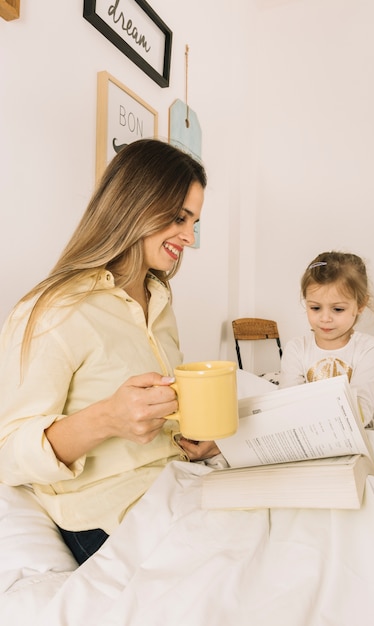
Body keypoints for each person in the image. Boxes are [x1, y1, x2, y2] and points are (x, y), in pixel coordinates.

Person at [0, 138, 220, 564]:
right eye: (179, 218)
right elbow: (8, 453)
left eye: (194, 222)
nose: (189, 238)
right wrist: (106, 419)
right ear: (136, 205)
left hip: (178, 486)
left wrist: (197, 437)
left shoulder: (158, 299)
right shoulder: (53, 310)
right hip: (109, 519)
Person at [279, 251, 374, 427]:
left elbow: (362, 410)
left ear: (360, 305)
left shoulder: (368, 348)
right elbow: (288, 401)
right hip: (307, 428)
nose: (325, 318)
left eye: (337, 309)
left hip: (353, 429)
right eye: (315, 308)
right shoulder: (296, 348)